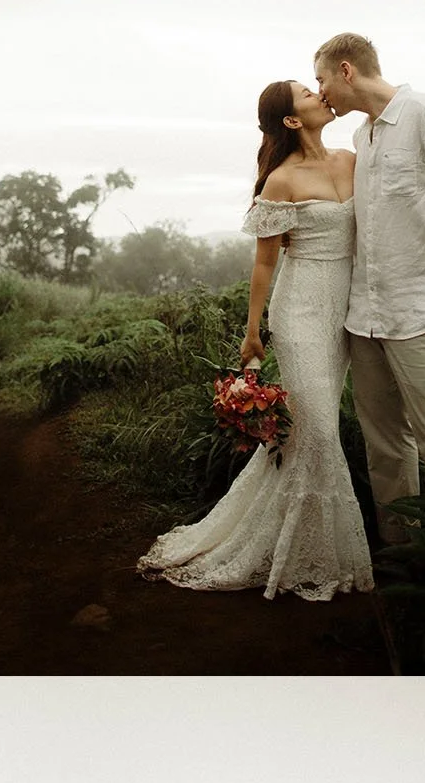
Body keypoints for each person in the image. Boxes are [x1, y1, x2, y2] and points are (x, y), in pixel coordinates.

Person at [137, 81, 372, 600]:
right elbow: (265, 262)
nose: (321, 95)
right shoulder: (281, 181)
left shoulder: (352, 160)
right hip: (300, 309)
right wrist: (252, 331)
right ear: (292, 120)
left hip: (345, 311)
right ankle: (305, 553)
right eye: (308, 94)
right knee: (318, 431)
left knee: (311, 430)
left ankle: (301, 542)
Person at [313, 31, 425, 544]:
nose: (321, 91)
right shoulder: (362, 137)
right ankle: (404, 555)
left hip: (422, 312)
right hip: (364, 318)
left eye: (321, 79)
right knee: (385, 447)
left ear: (346, 70)